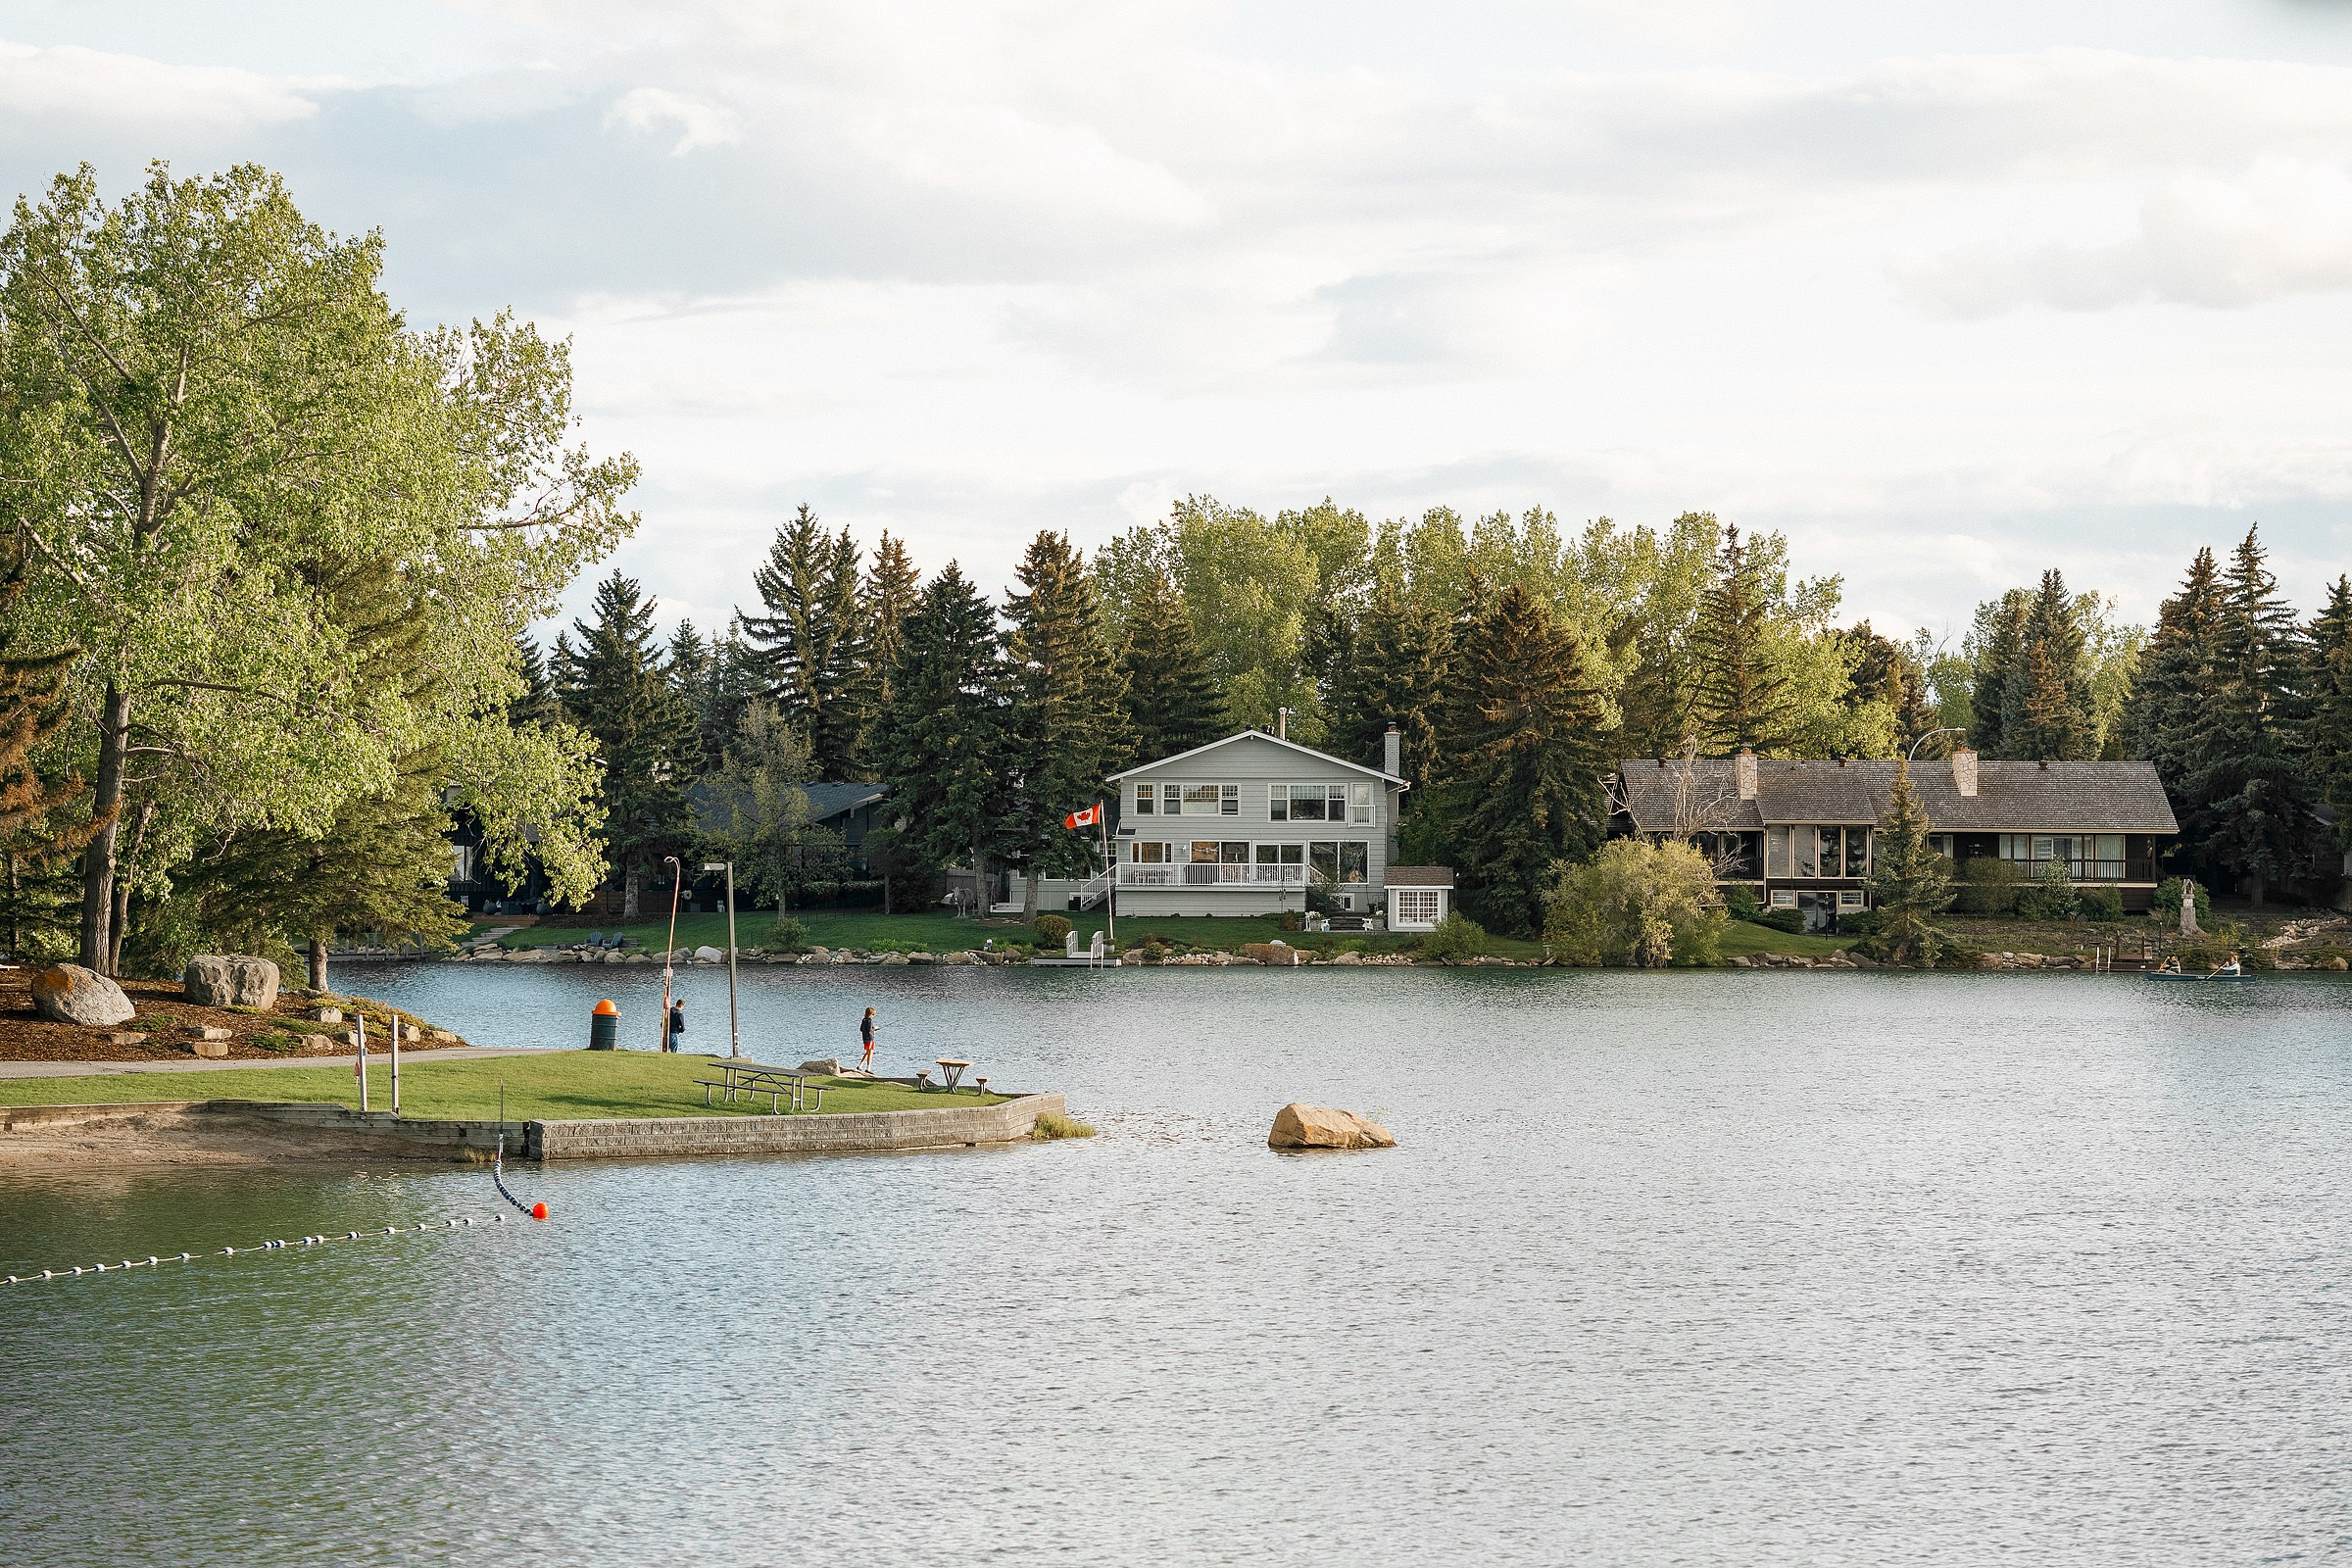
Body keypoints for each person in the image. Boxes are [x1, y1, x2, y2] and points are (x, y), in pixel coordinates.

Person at [859, 1006, 877, 1072]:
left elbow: (861, 1029)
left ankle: (861, 1066)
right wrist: (874, 1028)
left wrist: (872, 1029)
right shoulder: (870, 1020)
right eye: (873, 1014)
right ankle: (867, 1068)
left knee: (868, 1052)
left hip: (865, 1039)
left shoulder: (863, 1020)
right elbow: (869, 1029)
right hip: (870, 1039)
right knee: (870, 1053)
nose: (873, 1016)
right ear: (870, 1014)